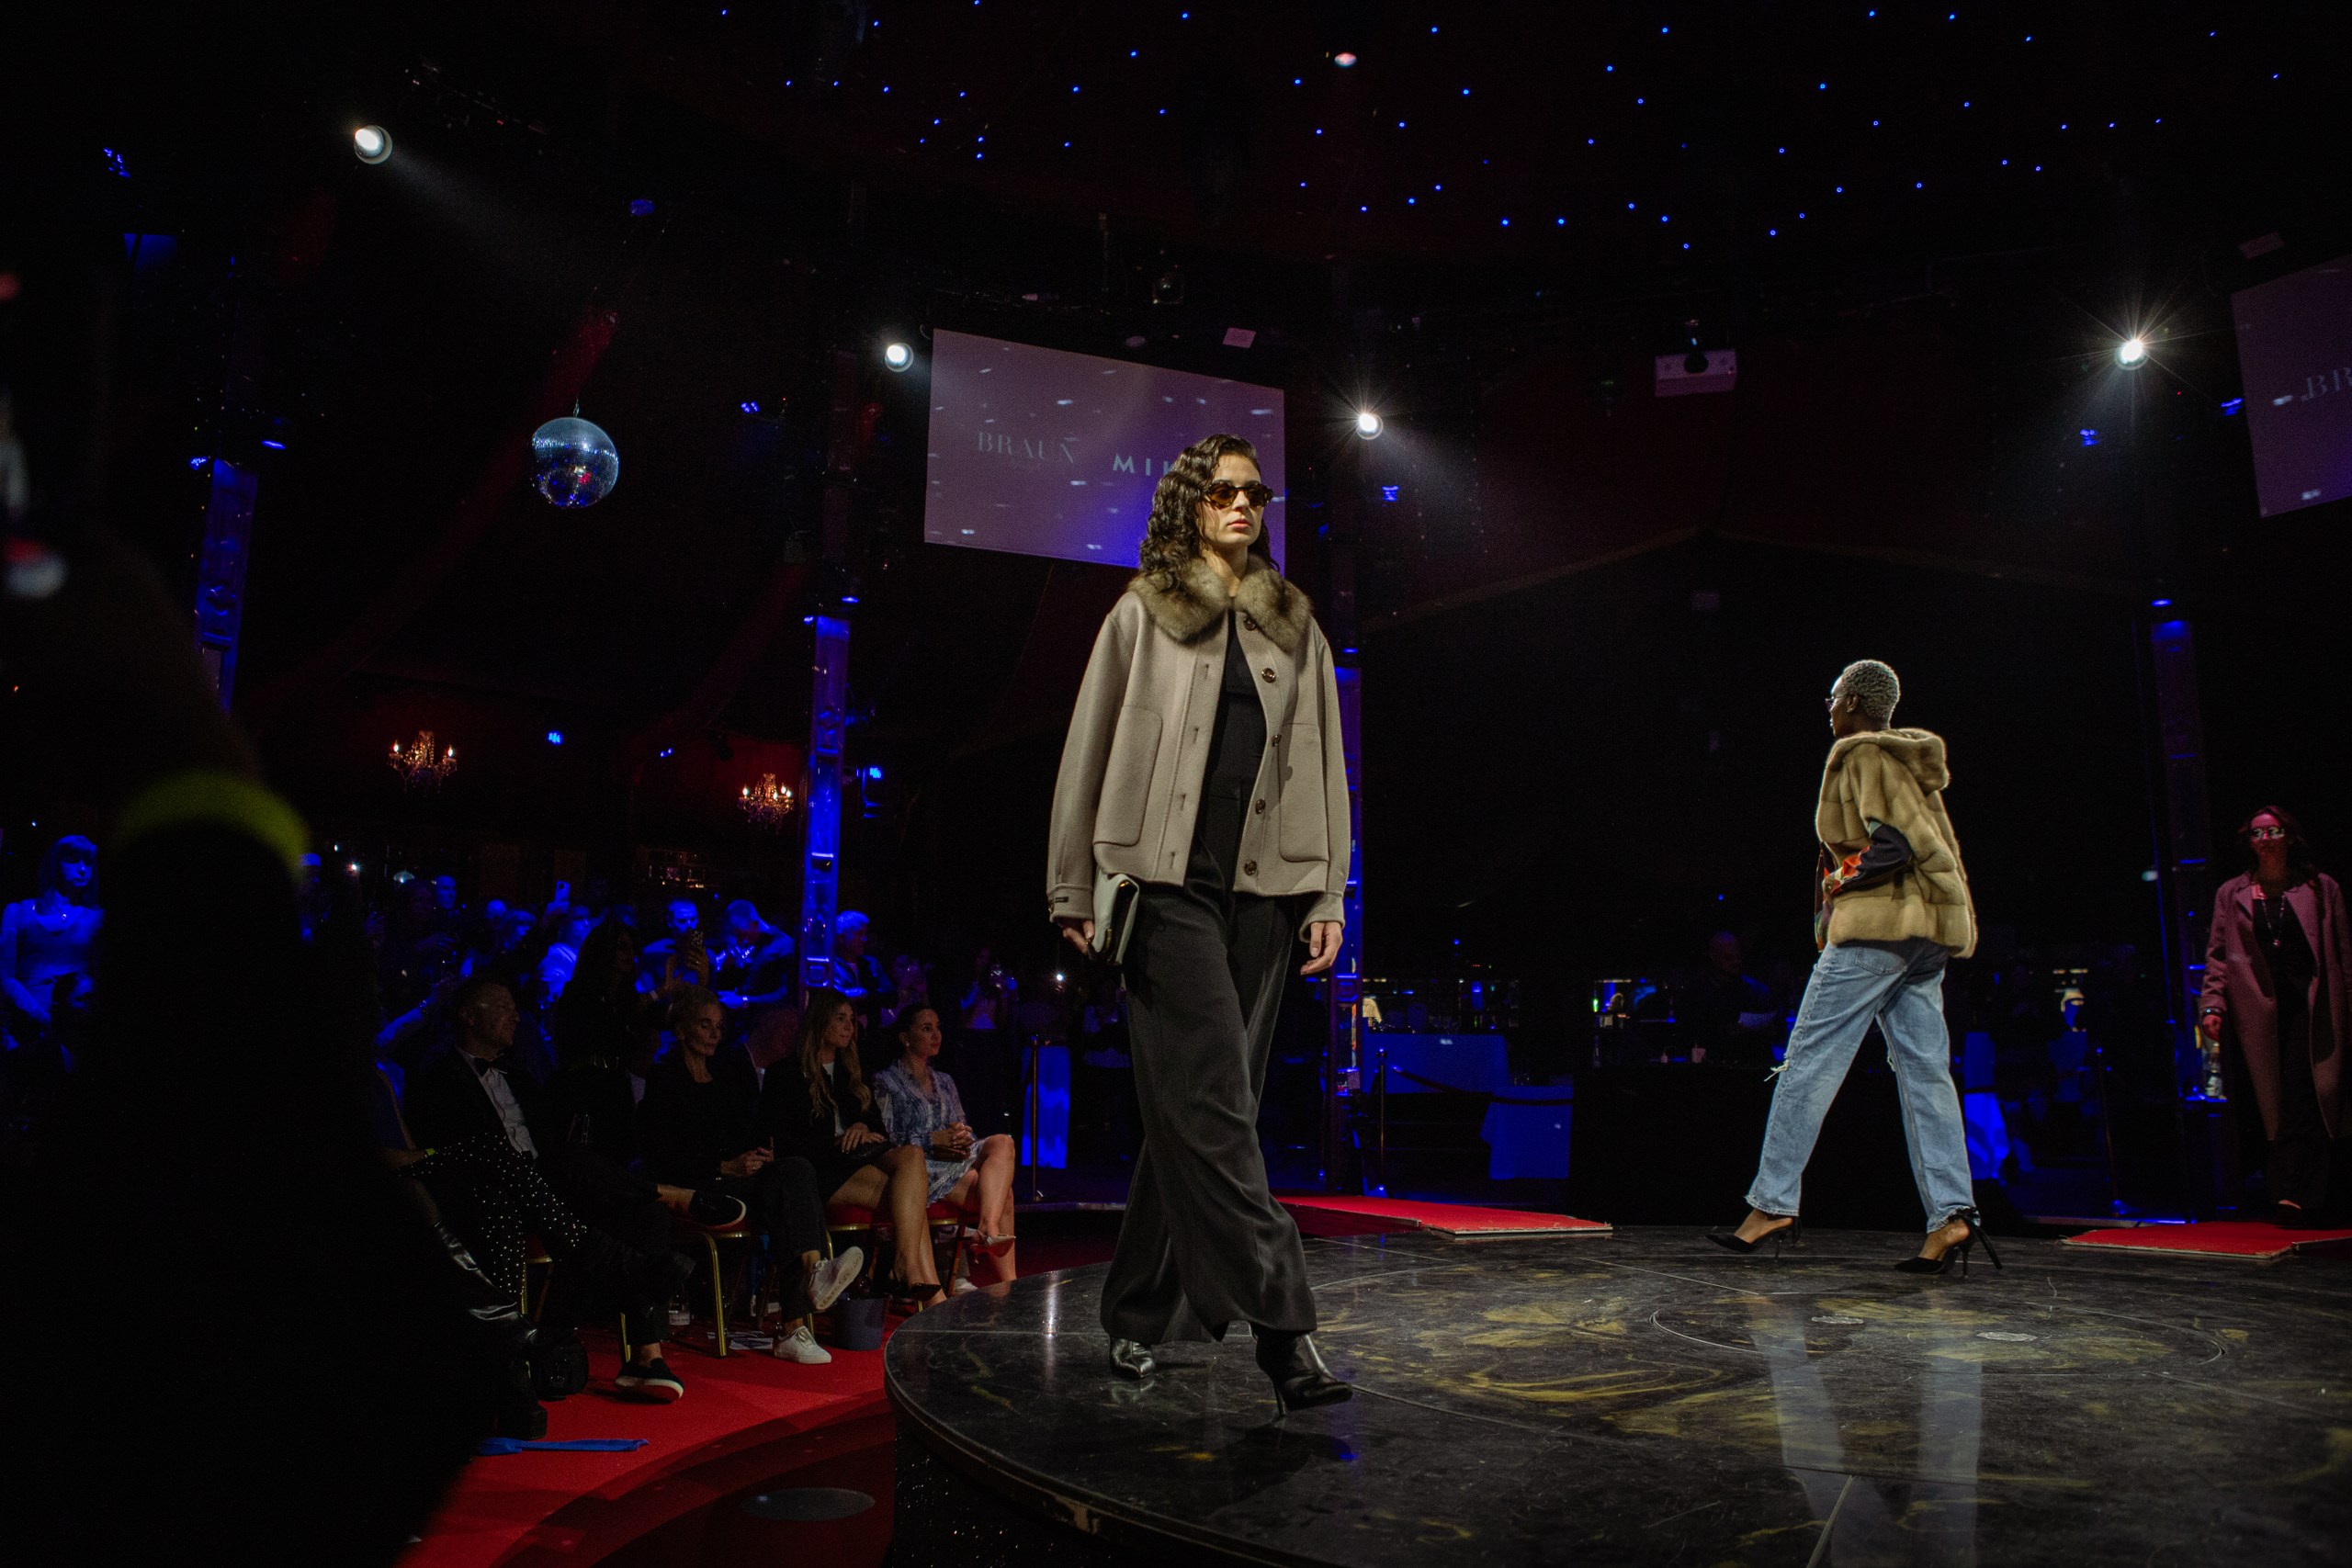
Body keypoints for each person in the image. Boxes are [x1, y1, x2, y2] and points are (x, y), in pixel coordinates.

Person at [1046, 431, 1351, 1413]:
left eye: (1254, 492)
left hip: (1262, 898)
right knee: (1214, 1103)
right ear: (1189, 503)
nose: (1241, 505)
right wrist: (1070, 888)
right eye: (1222, 491)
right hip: (1160, 889)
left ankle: (1137, 1313)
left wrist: (1328, 893)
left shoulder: (1294, 626)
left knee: (1202, 1110)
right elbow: (1087, 751)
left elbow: (1326, 767)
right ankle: (1283, 1329)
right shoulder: (1142, 614)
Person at [1710, 660, 1994, 1275]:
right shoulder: (1907, 760)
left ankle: (1771, 1203)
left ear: (1857, 703)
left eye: (1835, 696)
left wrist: (1838, 884)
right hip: (1926, 936)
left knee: (1808, 1058)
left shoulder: (1860, 752)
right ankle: (1952, 1214)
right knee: (1925, 1074)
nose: (1829, 705)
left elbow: (1893, 843)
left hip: (1878, 929)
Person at [406, 976, 741, 1402]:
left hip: (553, 1185)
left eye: (515, 1007)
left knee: (640, 1211)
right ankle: (668, 1196)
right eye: (503, 1007)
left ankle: (645, 1357)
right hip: (493, 1191)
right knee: (566, 1165)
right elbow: (452, 1154)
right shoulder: (436, 1078)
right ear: (469, 1016)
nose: (515, 1016)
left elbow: (551, 1144)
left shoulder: (521, 1077)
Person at [639, 987, 862, 1362]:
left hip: (736, 1178)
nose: (714, 1033)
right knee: (787, 1200)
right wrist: (723, 1166)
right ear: (681, 1030)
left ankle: (812, 1280)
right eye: (704, 1025)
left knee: (794, 1170)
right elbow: (662, 1156)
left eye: (718, 1026)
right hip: (694, 1186)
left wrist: (758, 1155)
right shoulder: (665, 1078)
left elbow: (746, 1133)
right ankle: (797, 1314)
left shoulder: (726, 1074)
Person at [2200, 807, 2349, 1224]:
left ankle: (2293, 1191)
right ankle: (2299, 1192)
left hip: (2314, 1007)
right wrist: (2212, 1004)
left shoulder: (2320, 888)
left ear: (2289, 837)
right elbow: (2218, 956)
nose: (2265, 839)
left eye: (2274, 831)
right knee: (2277, 1098)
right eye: (2257, 833)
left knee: (2311, 1091)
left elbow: (2343, 953)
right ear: (2248, 841)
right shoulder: (2232, 893)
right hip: (2260, 1012)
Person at [760, 987, 945, 1304]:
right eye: (840, 1019)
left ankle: (907, 1267)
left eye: (851, 1019)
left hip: (859, 1159)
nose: (849, 1026)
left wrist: (861, 1126)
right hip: (820, 1169)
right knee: (910, 1199)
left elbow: (879, 1128)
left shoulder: (851, 1071)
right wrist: (835, 1141)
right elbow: (781, 1141)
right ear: (820, 1022)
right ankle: (926, 1290)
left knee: (912, 1159)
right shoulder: (785, 1073)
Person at [874, 1005, 1018, 1284]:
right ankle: (1008, 1282)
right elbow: (888, 1140)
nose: (936, 1034)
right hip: (921, 1167)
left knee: (1003, 1142)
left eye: (937, 1027)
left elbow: (960, 1124)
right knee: (1006, 1195)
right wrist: (932, 1139)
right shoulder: (887, 1081)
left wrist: (962, 1136)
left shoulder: (944, 1080)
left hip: (954, 1159)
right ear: (905, 1037)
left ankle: (987, 1227)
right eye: (926, 1028)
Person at [1, 834, 102, 1055]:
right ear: (54, 863)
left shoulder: (95, 918)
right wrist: (41, 1017)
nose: (82, 869)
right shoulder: (17, 912)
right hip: (26, 1027)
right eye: (73, 860)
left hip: (75, 1027)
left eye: (88, 863)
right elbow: (5, 975)